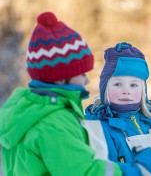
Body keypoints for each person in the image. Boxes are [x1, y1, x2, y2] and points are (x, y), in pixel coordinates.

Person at [0, 12, 123, 176]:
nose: (86, 81)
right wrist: (131, 171)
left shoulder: (29, 111)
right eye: (81, 74)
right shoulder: (53, 121)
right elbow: (84, 172)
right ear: (59, 79)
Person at [85, 42, 151, 176]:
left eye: (134, 85)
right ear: (104, 89)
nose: (126, 91)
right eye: (118, 84)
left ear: (143, 91)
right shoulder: (99, 129)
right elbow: (101, 170)